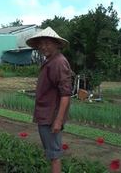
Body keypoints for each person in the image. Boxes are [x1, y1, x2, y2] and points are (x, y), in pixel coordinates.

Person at [26, 27, 72, 173]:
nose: (43, 47)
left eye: (47, 43)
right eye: (41, 44)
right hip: (45, 114)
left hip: (51, 117)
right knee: (52, 153)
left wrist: (58, 120)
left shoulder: (58, 62)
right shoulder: (50, 61)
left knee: (54, 154)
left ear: (57, 44)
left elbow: (66, 94)